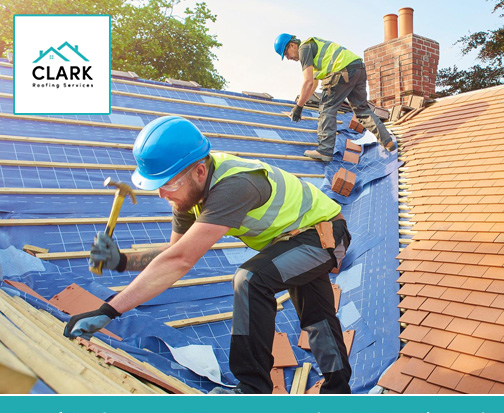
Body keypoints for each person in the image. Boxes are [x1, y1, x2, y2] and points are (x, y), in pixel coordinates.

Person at [64, 116, 353, 394]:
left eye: (169, 184)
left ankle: (252, 390)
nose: (163, 195)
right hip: (295, 239)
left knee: (250, 280)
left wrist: (109, 310)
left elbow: (180, 261)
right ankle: (338, 394)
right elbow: (173, 253)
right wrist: (123, 261)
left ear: (199, 171)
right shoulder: (188, 195)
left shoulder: (235, 186)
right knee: (317, 317)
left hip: (325, 234)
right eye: (157, 186)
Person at [274, 33, 395, 161]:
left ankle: (325, 150)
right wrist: (301, 104)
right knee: (362, 110)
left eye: (286, 53)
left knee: (327, 108)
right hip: (357, 68)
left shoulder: (304, 49)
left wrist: (298, 108)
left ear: (292, 45)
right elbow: (313, 84)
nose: (288, 58)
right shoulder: (313, 50)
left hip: (341, 71)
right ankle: (387, 141)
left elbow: (307, 81)